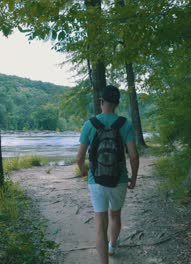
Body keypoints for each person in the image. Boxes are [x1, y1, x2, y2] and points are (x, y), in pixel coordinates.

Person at [76, 85, 140, 264]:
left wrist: (83, 170)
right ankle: (112, 246)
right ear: (117, 104)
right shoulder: (124, 125)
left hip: (95, 180)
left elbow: (80, 157)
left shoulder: (90, 124)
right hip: (119, 180)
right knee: (115, 215)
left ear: (101, 102)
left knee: (100, 224)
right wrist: (133, 178)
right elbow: (134, 156)